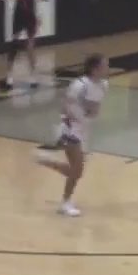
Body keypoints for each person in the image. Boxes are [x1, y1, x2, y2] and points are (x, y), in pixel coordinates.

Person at [34, 54, 109, 217]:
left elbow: (95, 109)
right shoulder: (79, 85)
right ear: (94, 69)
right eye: (104, 66)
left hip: (84, 130)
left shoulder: (104, 85)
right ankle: (65, 203)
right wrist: (78, 118)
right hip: (70, 128)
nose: (107, 69)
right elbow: (66, 107)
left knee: (77, 172)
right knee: (77, 169)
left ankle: (46, 161)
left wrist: (91, 117)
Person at [2, 0, 48, 88]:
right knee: (14, 45)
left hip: (30, 17)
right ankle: (9, 76)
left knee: (30, 46)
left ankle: (33, 76)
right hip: (18, 16)